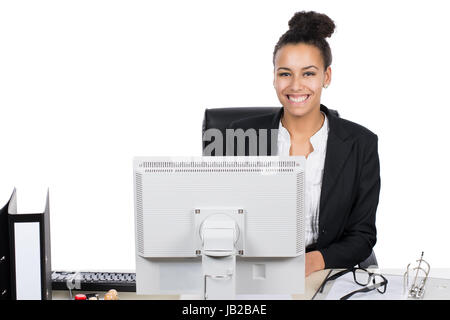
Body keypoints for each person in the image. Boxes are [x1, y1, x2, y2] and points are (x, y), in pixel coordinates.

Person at [228, 11, 381, 277]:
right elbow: (216, 217)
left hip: (322, 272)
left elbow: (362, 235)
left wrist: (313, 262)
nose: (296, 86)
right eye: (285, 74)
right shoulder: (239, 136)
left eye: (308, 73)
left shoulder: (361, 144)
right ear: (274, 78)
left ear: (326, 76)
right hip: (252, 271)